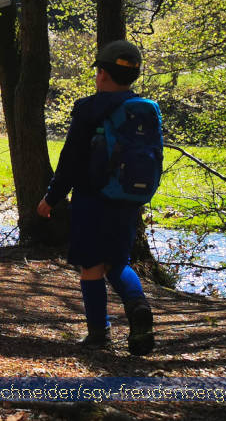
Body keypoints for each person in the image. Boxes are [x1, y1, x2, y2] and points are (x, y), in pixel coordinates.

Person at [36, 40, 155, 356]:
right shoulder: (142, 109)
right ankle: (138, 307)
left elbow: (71, 159)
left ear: (102, 74)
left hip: (91, 197)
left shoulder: (88, 109)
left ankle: (98, 332)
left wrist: (52, 197)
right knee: (118, 262)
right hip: (128, 200)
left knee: (91, 264)